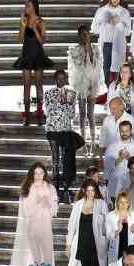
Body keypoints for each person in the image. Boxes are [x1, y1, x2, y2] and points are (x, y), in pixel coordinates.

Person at [3, 163, 58, 266]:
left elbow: (54, 210)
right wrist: (37, 203)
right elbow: (26, 212)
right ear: (32, 175)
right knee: (33, 262)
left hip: (45, 229)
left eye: (41, 173)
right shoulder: (27, 190)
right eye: (36, 173)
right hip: (32, 229)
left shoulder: (50, 188)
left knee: (47, 263)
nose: (39, 176)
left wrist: (48, 204)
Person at [63, 178, 108, 266]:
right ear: (84, 190)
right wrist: (68, 245)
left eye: (93, 190)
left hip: (96, 246)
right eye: (88, 190)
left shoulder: (101, 204)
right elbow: (71, 227)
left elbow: (107, 225)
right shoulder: (78, 205)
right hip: (82, 245)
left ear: (96, 191)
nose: (90, 192)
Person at [44, 69, 84, 202]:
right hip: (53, 129)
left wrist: (64, 104)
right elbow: (48, 111)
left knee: (66, 160)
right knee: (55, 159)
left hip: (66, 130)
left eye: (63, 78)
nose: (61, 81)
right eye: (58, 78)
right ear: (55, 80)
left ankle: (66, 187)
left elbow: (72, 114)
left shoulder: (72, 93)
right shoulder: (48, 93)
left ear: (66, 79)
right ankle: (55, 189)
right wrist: (61, 105)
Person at [13, 0, 54, 125]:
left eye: (28, 5)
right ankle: (26, 114)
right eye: (25, 5)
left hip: (37, 56)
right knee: (26, 85)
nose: (25, 7)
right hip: (26, 55)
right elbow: (19, 40)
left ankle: (40, 113)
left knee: (38, 84)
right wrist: (22, 25)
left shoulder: (41, 21)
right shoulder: (24, 20)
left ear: (34, 7)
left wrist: (35, 29)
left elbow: (43, 41)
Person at [93, 0, 131, 88]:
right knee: (106, 68)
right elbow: (94, 29)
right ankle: (109, 90)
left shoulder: (124, 12)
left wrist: (120, 23)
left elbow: (128, 32)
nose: (116, 0)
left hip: (119, 45)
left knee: (120, 69)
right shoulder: (101, 11)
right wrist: (107, 22)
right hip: (107, 44)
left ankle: (118, 90)